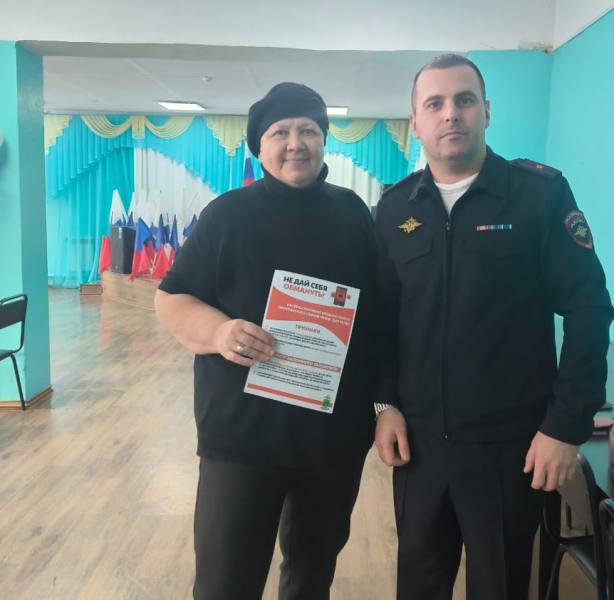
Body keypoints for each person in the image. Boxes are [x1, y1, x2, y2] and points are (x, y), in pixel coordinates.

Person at [373, 53, 613, 600]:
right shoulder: (394, 208)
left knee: (500, 587)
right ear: (416, 122)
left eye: (464, 100)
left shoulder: (539, 195)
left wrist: (565, 426)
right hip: (420, 449)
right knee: (417, 586)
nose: (450, 113)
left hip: (512, 448)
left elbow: (589, 308)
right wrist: (384, 404)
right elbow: (384, 321)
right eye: (435, 103)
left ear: (486, 111)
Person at [155, 82, 377, 600]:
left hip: (330, 437)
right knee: (225, 582)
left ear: (324, 140)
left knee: (311, 575)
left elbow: (379, 313)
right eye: (280, 132)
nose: (295, 143)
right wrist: (219, 332)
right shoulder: (227, 215)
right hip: (242, 437)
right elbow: (171, 298)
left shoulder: (353, 215)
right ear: (259, 146)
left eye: (308, 130)